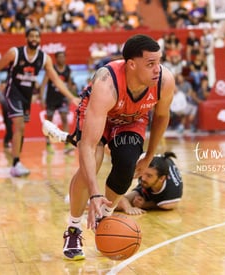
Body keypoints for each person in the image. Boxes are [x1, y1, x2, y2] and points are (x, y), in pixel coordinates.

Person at [42, 34, 175, 261]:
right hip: (98, 113)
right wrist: (94, 193)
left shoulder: (164, 81)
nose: (157, 69)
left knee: (126, 168)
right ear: (131, 64)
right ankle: (73, 229)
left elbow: (162, 117)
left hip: (132, 119)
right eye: (150, 64)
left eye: (159, 62)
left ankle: (104, 219)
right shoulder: (107, 82)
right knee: (92, 162)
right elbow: (89, 145)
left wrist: (149, 156)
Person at [0, 27, 79, 177]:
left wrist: (72, 97)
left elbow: (56, 80)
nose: (34, 39)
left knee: (21, 129)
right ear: (26, 39)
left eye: (37, 37)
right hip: (13, 92)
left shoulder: (44, 58)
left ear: (40, 40)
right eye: (31, 36)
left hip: (27, 95)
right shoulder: (15, 53)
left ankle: (17, 161)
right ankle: (15, 163)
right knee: (19, 125)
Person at [116, 152, 183, 215]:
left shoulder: (170, 198)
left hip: (161, 195)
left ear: (161, 178)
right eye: (143, 173)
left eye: (149, 176)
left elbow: (161, 204)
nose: (143, 178)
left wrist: (145, 205)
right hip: (151, 178)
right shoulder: (141, 164)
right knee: (116, 203)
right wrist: (128, 207)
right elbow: (117, 191)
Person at [40, 51, 74, 154]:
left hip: (62, 98)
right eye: (59, 57)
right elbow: (43, 84)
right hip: (51, 99)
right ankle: (48, 144)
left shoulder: (68, 69)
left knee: (64, 118)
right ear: (56, 59)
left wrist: (70, 97)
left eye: (63, 57)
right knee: (49, 121)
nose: (61, 59)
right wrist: (41, 97)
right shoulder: (51, 69)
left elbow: (69, 84)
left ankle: (67, 144)